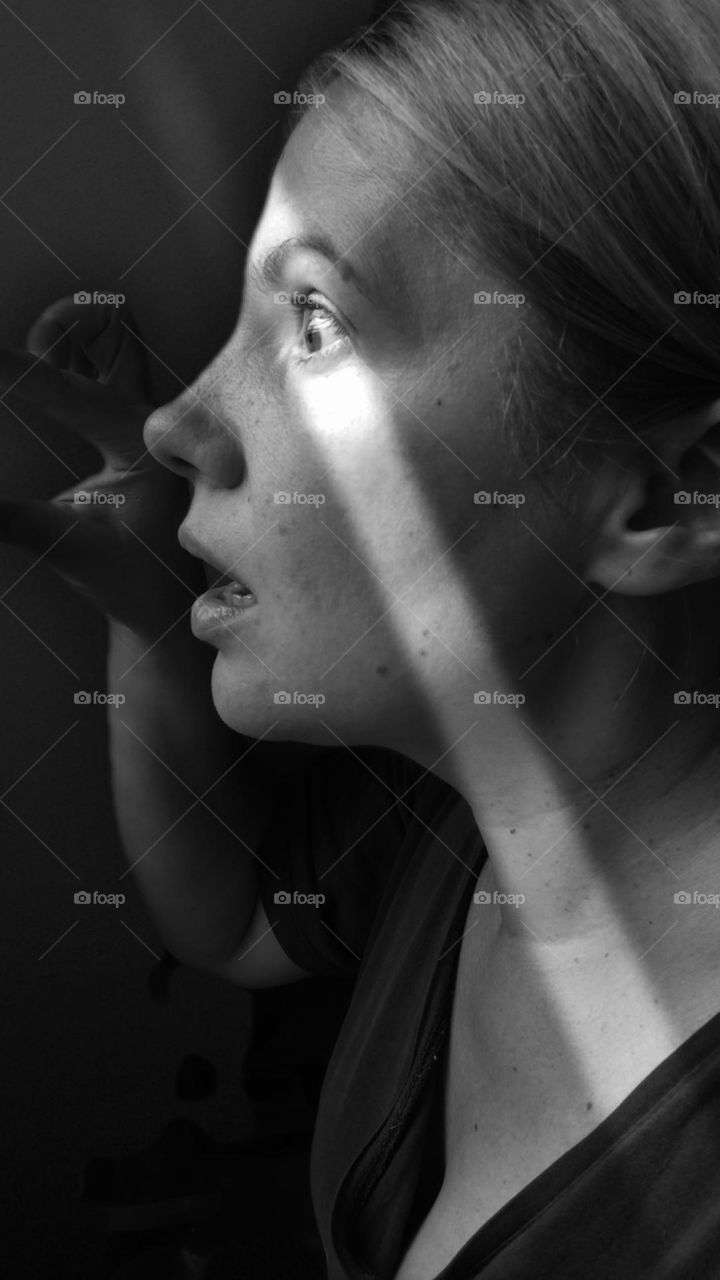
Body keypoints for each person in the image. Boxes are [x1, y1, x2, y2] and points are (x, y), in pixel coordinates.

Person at [2, 0, 720, 1275]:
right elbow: (226, 922)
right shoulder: (471, 815)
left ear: (673, 495)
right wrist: (143, 614)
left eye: (318, 322)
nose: (178, 419)